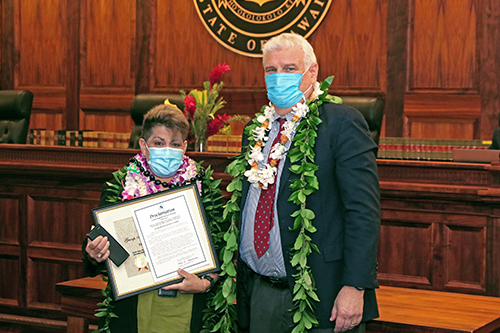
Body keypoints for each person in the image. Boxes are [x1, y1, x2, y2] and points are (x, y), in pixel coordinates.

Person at [236, 33, 380, 333]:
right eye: (270, 70)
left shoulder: (341, 123)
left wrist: (355, 286)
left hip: (323, 296)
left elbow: (362, 211)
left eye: (289, 69)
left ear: (312, 72)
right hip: (260, 292)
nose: (278, 78)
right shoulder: (254, 131)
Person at [82, 103, 223, 333]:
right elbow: (95, 249)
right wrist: (93, 252)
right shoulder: (120, 186)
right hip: (133, 305)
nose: (167, 149)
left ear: (185, 147)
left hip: (188, 305)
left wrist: (205, 283)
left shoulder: (204, 187)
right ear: (144, 146)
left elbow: (222, 249)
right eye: (159, 143)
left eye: (175, 144)